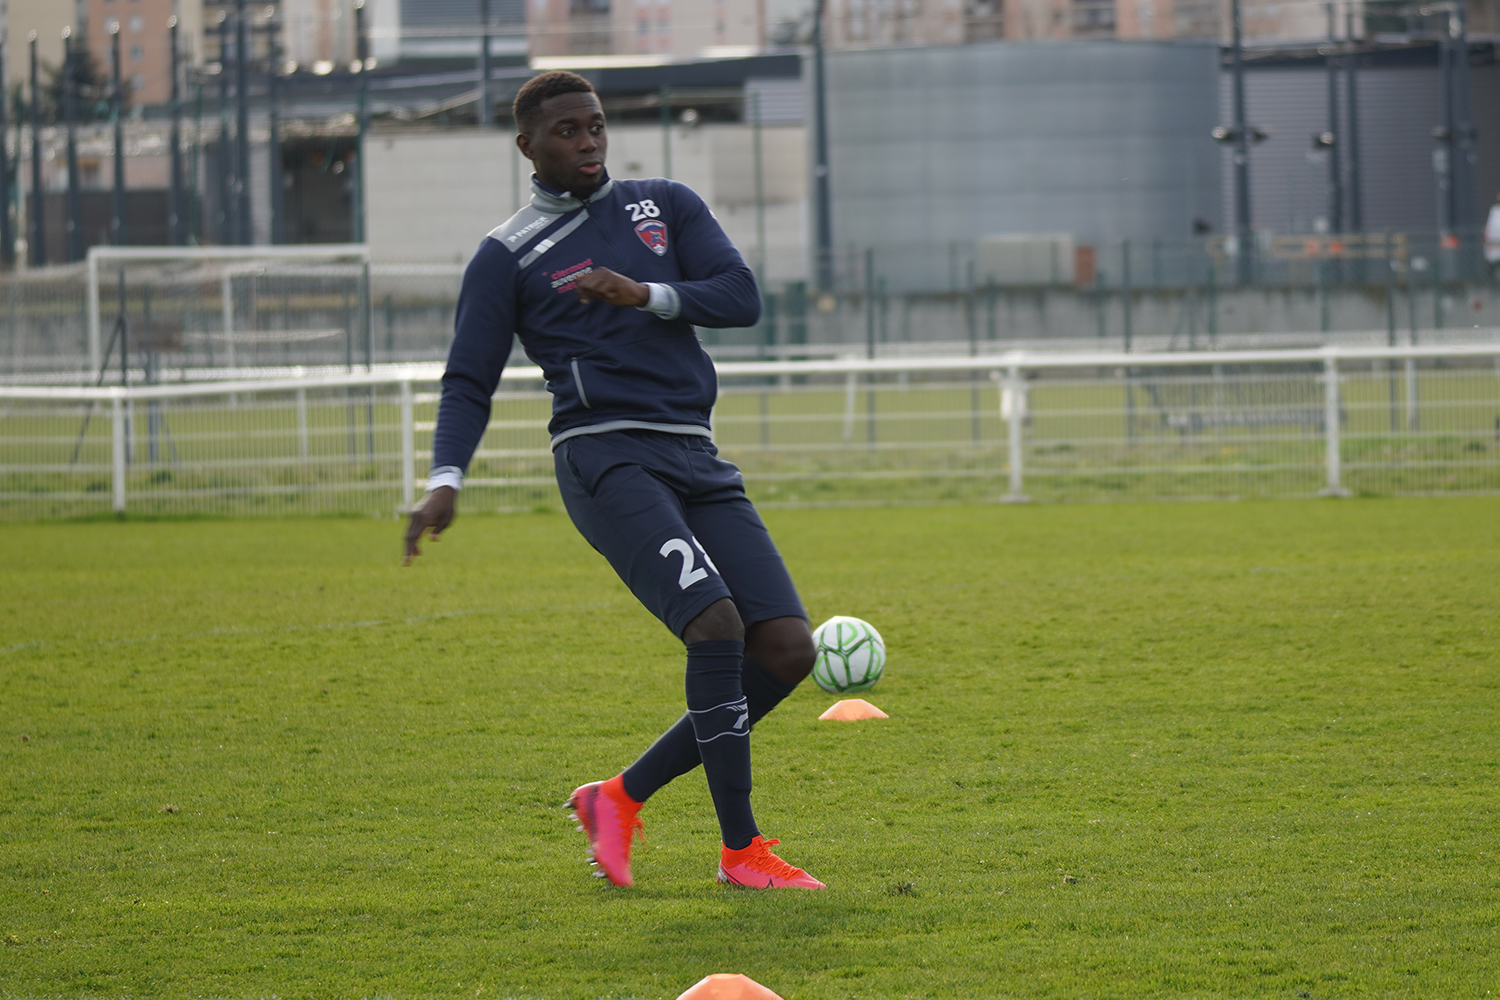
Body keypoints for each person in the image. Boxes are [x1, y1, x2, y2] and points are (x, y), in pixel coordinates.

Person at [403, 71, 825, 890]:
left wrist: (645, 294)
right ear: (528, 147)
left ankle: (619, 797)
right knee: (715, 624)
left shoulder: (663, 204)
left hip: (695, 453)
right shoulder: (507, 255)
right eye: (567, 131)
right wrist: (445, 478)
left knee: (784, 648)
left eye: (595, 126)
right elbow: (468, 380)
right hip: (605, 458)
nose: (588, 141)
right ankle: (743, 853)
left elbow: (741, 299)